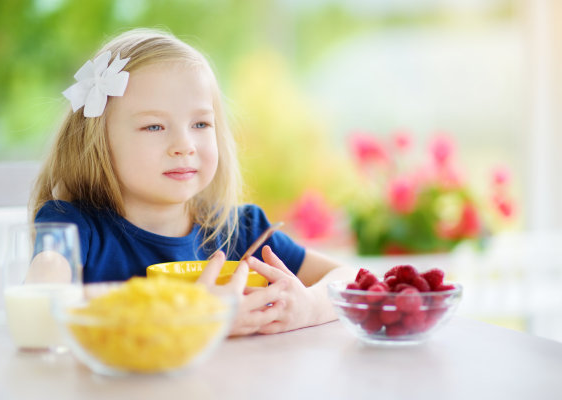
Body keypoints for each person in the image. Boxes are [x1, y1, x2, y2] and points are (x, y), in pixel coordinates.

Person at [30, 28, 354, 336]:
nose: (185, 145)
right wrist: (184, 315)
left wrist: (309, 307)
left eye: (200, 123)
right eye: (154, 127)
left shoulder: (242, 231)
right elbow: (41, 303)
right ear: (98, 140)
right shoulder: (70, 226)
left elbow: (352, 278)